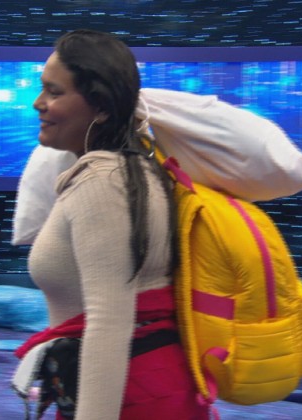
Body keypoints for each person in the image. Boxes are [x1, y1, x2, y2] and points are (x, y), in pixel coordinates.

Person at [15, 29, 207, 419]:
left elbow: (109, 323)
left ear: (101, 107)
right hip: (143, 386)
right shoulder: (131, 170)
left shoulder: (102, 183)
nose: (38, 103)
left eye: (54, 92)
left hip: (131, 396)